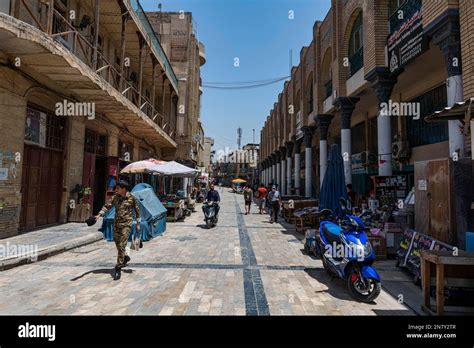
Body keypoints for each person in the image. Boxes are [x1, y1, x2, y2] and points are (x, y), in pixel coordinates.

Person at [96, 180, 140, 281]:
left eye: (118, 188)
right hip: (116, 224)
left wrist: (138, 223)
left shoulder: (132, 198)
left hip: (126, 225)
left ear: (124, 189)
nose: (116, 190)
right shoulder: (115, 197)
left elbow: (137, 211)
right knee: (117, 243)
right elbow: (107, 206)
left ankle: (118, 267)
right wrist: (99, 214)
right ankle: (124, 257)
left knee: (122, 245)